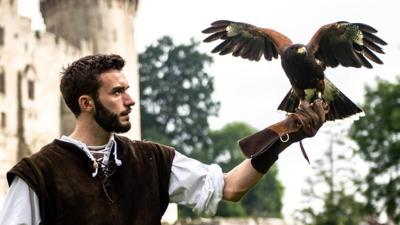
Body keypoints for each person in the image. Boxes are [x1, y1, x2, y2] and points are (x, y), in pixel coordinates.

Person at [0, 54, 327, 225]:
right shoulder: (37, 175)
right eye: (117, 92)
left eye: (128, 90)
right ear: (86, 103)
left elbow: (229, 187)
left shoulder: (152, 160)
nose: (130, 100)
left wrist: (285, 134)